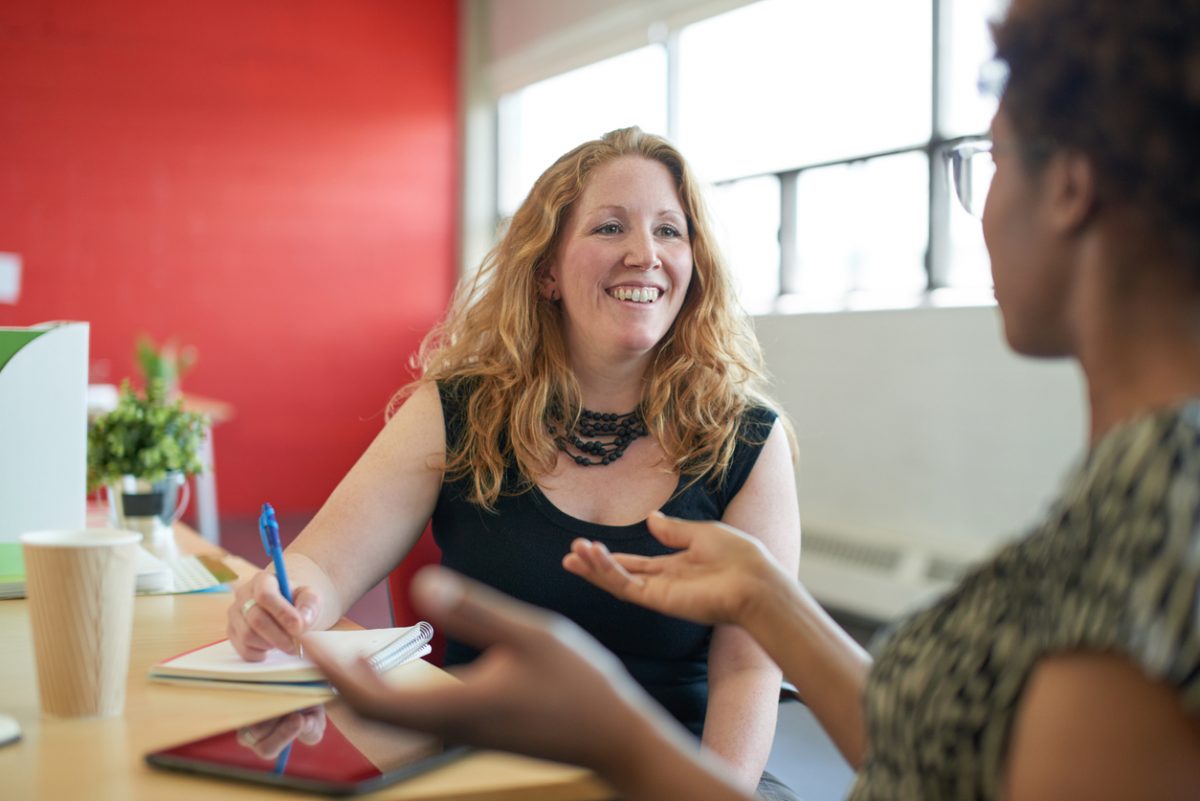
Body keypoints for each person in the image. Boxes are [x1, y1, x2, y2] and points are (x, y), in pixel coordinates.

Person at [306, 0, 1200, 799]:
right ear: (546, 269)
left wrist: (610, 728)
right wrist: (771, 601)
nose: (980, 205)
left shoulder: (1162, 502)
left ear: (1071, 189)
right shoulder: (1130, 485)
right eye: (609, 227)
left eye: (991, 160)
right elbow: (934, 748)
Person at [227, 127, 802, 798]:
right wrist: (279, 598)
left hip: (678, 780)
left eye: (670, 232)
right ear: (548, 270)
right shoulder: (458, 410)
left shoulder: (746, 442)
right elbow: (323, 565)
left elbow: (747, 670)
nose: (645, 254)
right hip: (488, 777)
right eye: (611, 227)